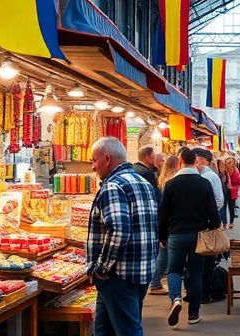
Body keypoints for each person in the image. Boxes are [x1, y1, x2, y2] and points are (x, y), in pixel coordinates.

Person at [86, 137, 159, 336]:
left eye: (94, 160)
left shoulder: (113, 186)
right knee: (103, 328)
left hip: (118, 275)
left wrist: (101, 268)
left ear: (107, 159)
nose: (93, 167)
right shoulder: (143, 183)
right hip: (140, 270)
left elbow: (118, 230)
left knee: (128, 330)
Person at [158, 148, 221, 326]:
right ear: (195, 161)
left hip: (176, 234)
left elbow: (163, 214)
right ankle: (193, 314)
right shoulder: (203, 183)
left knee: (174, 270)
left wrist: (162, 236)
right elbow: (213, 212)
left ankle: (176, 299)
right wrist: (213, 226)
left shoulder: (170, 184)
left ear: (180, 162)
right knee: (195, 272)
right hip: (198, 235)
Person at [194, 148, 226, 304]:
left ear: (200, 159)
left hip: (207, 226)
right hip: (202, 224)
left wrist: (207, 217)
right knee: (200, 261)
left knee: (207, 260)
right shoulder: (201, 176)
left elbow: (219, 200)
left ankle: (205, 293)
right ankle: (200, 292)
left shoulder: (209, 176)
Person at [149, 155, 182, 296]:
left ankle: (156, 283)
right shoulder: (173, 182)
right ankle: (158, 284)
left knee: (163, 256)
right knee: (167, 258)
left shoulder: (161, 180)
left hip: (163, 223)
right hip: (171, 223)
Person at [226, 157, 240, 228]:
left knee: (231, 207)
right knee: (223, 207)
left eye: (229, 163)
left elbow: (239, 183)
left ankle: (231, 222)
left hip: (232, 191)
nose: (228, 164)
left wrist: (233, 187)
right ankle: (224, 222)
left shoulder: (235, 171)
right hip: (226, 190)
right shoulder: (224, 171)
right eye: (227, 163)